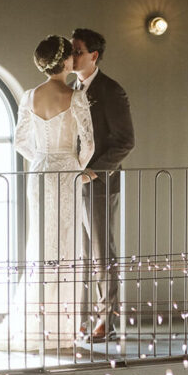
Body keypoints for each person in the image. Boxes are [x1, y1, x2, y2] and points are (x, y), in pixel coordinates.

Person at [0, 35, 94, 352]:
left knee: (40, 245)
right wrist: (77, 167)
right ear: (65, 62)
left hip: (39, 173)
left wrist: (41, 158)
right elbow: (89, 143)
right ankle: (60, 330)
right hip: (66, 172)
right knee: (67, 247)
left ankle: (34, 323)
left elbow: (20, 142)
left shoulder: (28, 96)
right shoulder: (75, 96)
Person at [71, 27, 134, 339]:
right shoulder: (72, 88)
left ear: (93, 56)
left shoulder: (111, 91)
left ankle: (106, 320)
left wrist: (93, 171)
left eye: (77, 51)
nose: (72, 56)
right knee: (81, 254)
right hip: (75, 182)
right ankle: (83, 317)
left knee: (101, 254)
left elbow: (125, 142)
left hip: (100, 182)